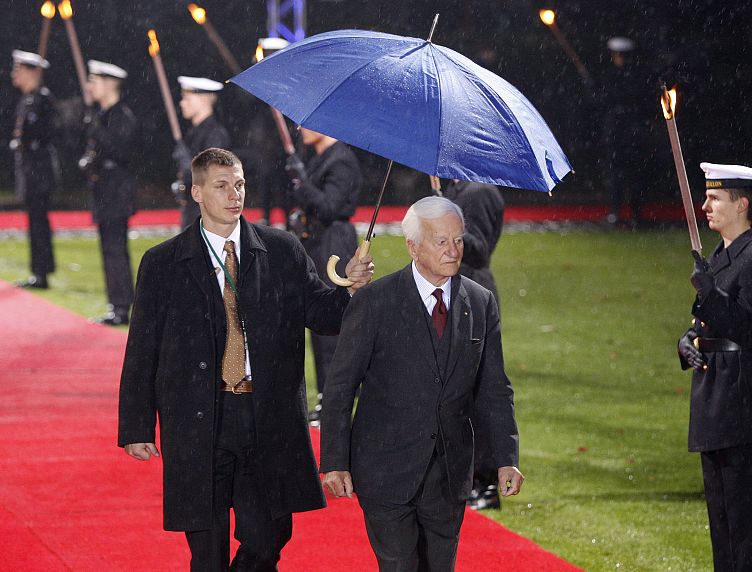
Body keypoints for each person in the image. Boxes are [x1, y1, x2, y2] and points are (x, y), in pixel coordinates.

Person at [118, 147, 373, 571]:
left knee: (269, 538)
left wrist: (350, 290)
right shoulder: (162, 263)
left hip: (266, 418)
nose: (234, 194)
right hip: (198, 420)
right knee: (207, 551)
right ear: (196, 192)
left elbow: (324, 315)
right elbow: (142, 348)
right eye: (221, 186)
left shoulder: (283, 250)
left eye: (239, 184)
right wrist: (136, 426)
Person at [321, 196, 523, 571]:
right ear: (412, 246)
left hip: (449, 474)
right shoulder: (374, 303)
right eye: (440, 241)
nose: (453, 250)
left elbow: (495, 387)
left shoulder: (481, 303)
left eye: (458, 240)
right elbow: (340, 387)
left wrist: (506, 458)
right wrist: (334, 461)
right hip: (384, 470)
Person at [677, 162, 752, 571]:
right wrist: (689, 341)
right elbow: (708, 323)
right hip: (715, 392)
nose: (705, 205)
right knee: (721, 518)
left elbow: (749, 328)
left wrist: (709, 292)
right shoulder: (724, 254)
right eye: (705, 196)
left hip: (740, 395)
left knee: (747, 520)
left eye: (715, 198)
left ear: (741, 203)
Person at [285, 127, 362, 425]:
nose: (300, 129)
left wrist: (303, 185)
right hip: (317, 242)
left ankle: (336, 397)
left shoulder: (341, 160)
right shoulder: (320, 157)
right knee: (316, 323)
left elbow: (329, 207)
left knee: (332, 323)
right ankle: (325, 396)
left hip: (334, 244)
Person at [442, 179, 505, 511]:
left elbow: (478, 248)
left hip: (473, 294)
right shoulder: (462, 191)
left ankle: (487, 481)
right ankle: (471, 476)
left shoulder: (478, 193)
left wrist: (446, 224)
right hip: (460, 293)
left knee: (478, 392)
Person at [82, 60, 137, 325]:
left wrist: (97, 130)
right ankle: (115, 302)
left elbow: (122, 152)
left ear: (108, 84)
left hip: (117, 189)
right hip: (103, 188)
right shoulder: (100, 115)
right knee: (108, 248)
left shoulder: (121, 116)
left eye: (93, 80)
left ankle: (122, 306)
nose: (89, 86)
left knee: (116, 248)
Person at [9, 49, 60, 289]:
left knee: (39, 222)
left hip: (39, 171)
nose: (14, 74)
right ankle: (38, 270)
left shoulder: (42, 99)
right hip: (29, 170)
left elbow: (47, 133)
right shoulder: (27, 98)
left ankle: (41, 273)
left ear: (32, 73)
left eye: (19, 69)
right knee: (34, 221)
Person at [602, 36, 649, 227]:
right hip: (623, 132)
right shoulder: (619, 76)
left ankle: (628, 213)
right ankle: (623, 212)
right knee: (622, 175)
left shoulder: (626, 77)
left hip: (626, 132)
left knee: (627, 175)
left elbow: (607, 100)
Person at [173, 76, 231, 230]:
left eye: (187, 98)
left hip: (206, 212)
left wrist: (189, 166)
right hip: (193, 208)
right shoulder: (194, 132)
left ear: (203, 100)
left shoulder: (216, 134)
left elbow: (211, 177)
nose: (182, 103)